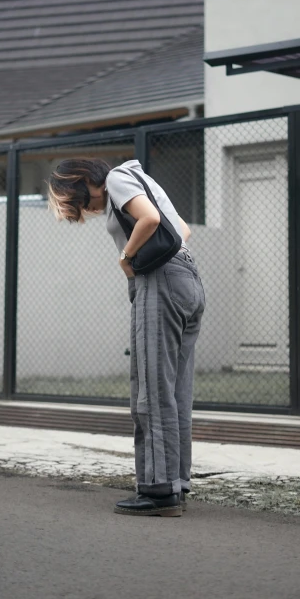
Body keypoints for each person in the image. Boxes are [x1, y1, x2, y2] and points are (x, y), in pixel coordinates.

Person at [48, 157, 205, 518]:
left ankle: (159, 492)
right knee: (176, 390)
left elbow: (150, 221)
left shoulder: (118, 179)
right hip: (188, 281)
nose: (88, 208)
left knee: (152, 389)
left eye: (82, 200)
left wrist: (127, 257)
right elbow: (181, 229)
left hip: (162, 282)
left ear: (85, 180)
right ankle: (175, 483)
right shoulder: (138, 177)